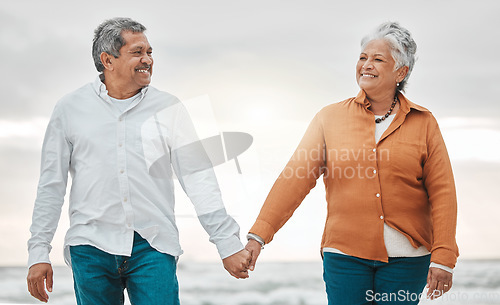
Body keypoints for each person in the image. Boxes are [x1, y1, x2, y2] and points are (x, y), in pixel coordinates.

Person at [27, 17, 251, 305]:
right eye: (137, 52)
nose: (147, 60)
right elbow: (51, 185)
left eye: (149, 52)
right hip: (90, 246)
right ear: (107, 60)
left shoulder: (169, 108)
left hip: (153, 246)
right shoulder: (69, 109)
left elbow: (199, 179)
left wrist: (227, 243)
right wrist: (38, 253)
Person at [245, 22, 459, 304]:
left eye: (378, 59)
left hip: (407, 261)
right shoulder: (329, 118)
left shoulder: (424, 122)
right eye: (363, 57)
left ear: (401, 72)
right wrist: (258, 236)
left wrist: (444, 257)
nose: (366, 65)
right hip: (344, 256)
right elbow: (294, 179)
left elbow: (443, 192)